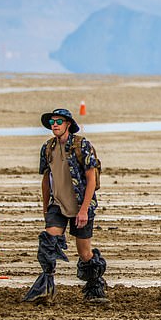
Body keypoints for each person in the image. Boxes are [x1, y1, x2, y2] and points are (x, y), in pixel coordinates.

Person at [23, 108, 108, 304]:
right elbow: (46, 179)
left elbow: (91, 179)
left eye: (59, 121)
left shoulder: (82, 145)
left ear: (68, 124)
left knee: (84, 253)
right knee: (48, 243)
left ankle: (95, 287)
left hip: (81, 205)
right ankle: (45, 288)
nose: (55, 125)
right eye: (52, 122)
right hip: (57, 204)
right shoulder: (48, 148)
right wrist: (46, 208)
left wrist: (84, 209)